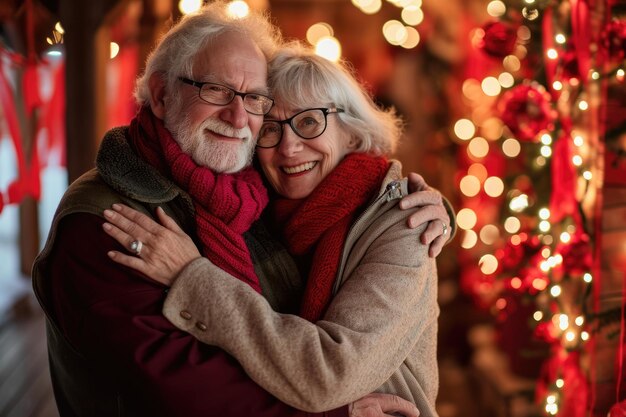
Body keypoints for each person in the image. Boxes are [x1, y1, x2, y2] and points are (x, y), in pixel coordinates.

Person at [31, 3, 449, 417]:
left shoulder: (250, 201)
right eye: (216, 90)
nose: (238, 117)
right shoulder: (106, 220)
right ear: (161, 95)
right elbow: (183, 390)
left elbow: (324, 364)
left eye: (253, 99)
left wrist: (432, 211)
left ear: (354, 134)